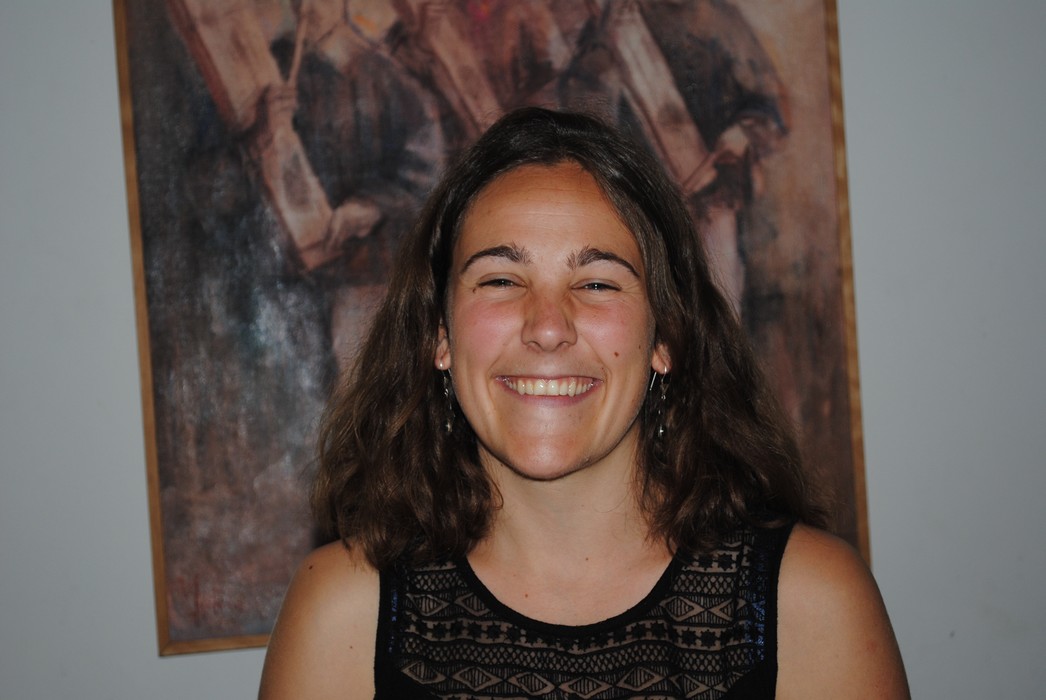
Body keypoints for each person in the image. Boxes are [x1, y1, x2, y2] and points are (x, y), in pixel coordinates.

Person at [258, 107, 909, 699]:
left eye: (597, 283)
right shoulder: (342, 612)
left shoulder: (811, 604)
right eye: (501, 279)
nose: (548, 327)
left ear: (665, 337)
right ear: (440, 336)